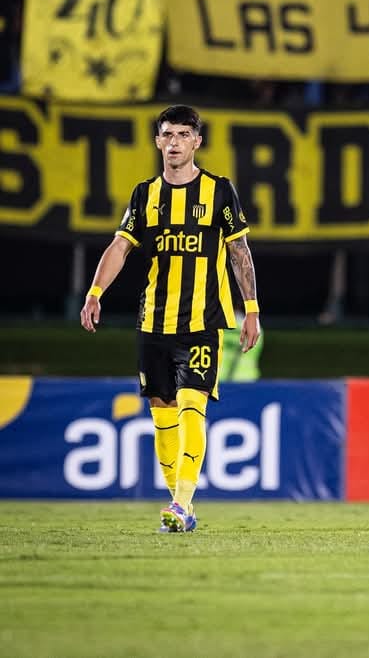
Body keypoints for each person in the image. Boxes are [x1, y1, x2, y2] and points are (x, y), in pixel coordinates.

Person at [80, 105, 261, 533]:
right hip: (153, 323)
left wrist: (251, 309)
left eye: (183, 134)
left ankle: (180, 502)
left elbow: (239, 252)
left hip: (202, 322)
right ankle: (181, 507)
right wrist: (94, 292)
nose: (175, 142)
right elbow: (120, 247)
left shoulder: (220, 191)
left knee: (192, 404)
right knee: (162, 414)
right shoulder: (144, 195)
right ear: (158, 141)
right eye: (168, 134)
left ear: (197, 141)